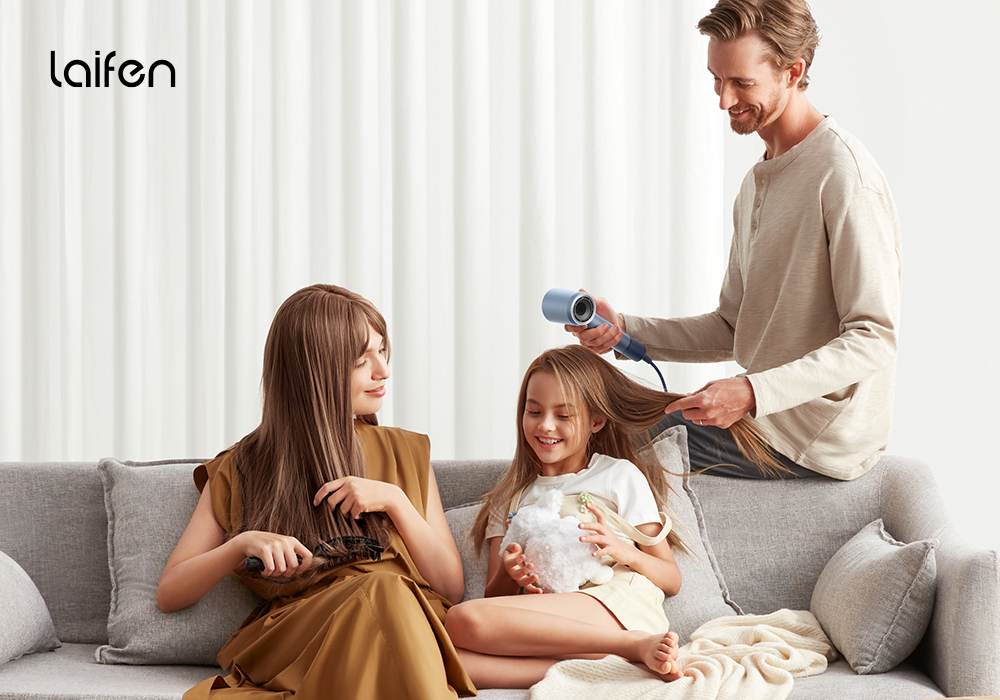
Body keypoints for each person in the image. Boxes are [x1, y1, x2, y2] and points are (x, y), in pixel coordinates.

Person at [568, 0, 901, 481]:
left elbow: (875, 337)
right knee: (584, 404)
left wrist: (749, 393)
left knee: (607, 438)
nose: (724, 100)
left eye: (741, 83)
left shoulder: (843, 173)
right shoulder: (757, 182)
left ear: (793, 72)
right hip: (764, 414)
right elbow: (733, 326)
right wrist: (624, 329)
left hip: (812, 433)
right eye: (716, 80)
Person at [156, 284, 475, 699]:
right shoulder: (243, 466)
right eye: (363, 360)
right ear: (315, 373)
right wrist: (240, 545)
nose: (383, 371)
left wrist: (395, 501)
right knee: (383, 592)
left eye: (383, 351)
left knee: (389, 592)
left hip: (408, 621)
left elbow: (450, 589)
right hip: (303, 634)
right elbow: (170, 593)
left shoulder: (406, 451)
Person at [445, 345, 778, 689]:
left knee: (459, 620)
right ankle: (616, 667)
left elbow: (670, 578)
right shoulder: (510, 498)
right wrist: (513, 574)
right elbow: (493, 599)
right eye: (534, 411)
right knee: (446, 659)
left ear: (596, 421)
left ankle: (632, 645)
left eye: (563, 415)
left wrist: (621, 549)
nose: (545, 425)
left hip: (617, 608)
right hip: (554, 621)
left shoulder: (618, 475)